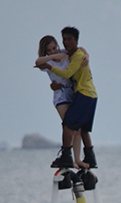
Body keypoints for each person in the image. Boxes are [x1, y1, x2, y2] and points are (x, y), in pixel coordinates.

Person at [38, 26, 99, 170]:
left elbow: (80, 50)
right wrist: (52, 58)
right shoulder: (49, 61)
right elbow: (38, 61)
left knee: (76, 129)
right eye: (49, 50)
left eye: (55, 48)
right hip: (61, 96)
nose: (54, 51)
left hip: (75, 93)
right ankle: (68, 156)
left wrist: (87, 55)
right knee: (69, 126)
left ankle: (76, 159)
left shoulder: (67, 54)